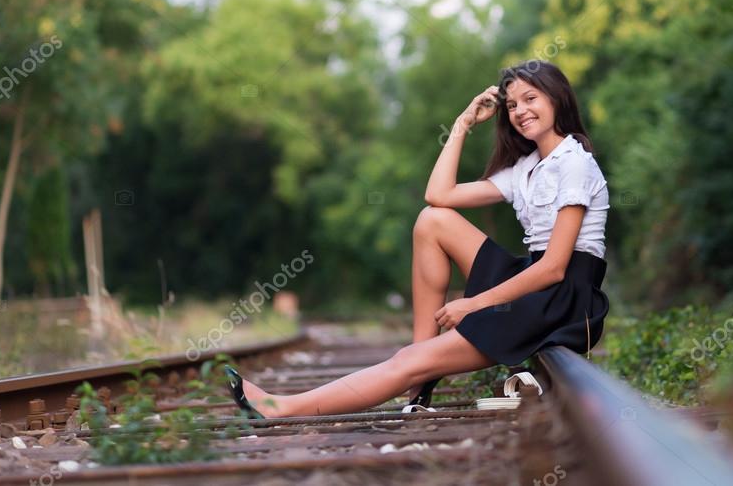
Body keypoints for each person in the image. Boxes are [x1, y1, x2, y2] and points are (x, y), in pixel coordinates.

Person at [225, 60, 610, 418]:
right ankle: (420, 373)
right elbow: (438, 196)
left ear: (556, 98)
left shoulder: (574, 163)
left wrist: (473, 304)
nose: (520, 111)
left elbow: (555, 267)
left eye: (530, 99)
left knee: (404, 362)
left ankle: (279, 407)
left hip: (560, 298)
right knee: (432, 220)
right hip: (532, 282)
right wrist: (462, 124)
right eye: (511, 105)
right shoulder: (528, 168)